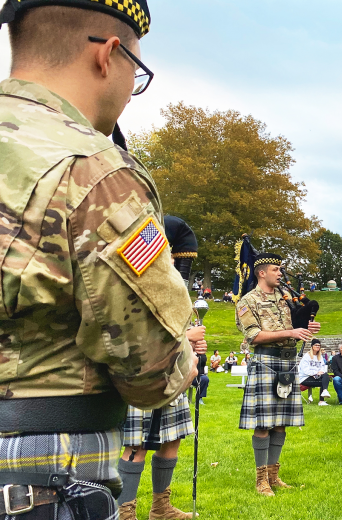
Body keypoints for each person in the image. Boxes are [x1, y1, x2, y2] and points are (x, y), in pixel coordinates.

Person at [0, 1, 201, 517]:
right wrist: (186, 359)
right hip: (42, 461)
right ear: (109, 55)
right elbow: (148, 367)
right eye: (139, 71)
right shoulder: (92, 172)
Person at [117, 215, 208, 520]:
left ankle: (161, 507)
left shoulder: (174, 288)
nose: (170, 256)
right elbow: (135, 329)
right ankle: (125, 511)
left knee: (172, 438)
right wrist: (186, 337)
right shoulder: (133, 282)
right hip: (142, 370)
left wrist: (193, 345)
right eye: (166, 250)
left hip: (174, 371)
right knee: (137, 443)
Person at [234, 243, 321, 496]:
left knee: (281, 423)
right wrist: (291, 332)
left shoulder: (285, 299)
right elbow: (254, 336)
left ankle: (274, 476)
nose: (280, 273)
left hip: (287, 362)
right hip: (265, 362)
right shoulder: (247, 301)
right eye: (276, 269)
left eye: (280, 269)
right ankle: (261, 480)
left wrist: (304, 330)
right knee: (263, 423)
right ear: (262, 272)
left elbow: (293, 329)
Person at [299, 339, 331, 406]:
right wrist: (316, 373)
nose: (318, 346)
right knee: (324, 381)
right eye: (316, 345)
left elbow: (323, 367)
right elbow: (305, 370)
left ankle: (324, 392)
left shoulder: (320, 357)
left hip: (316, 377)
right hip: (305, 378)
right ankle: (321, 400)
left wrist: (319, 373)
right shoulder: (307, 356)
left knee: (325, 375)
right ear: (312, 346)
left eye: (319, 345)